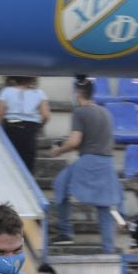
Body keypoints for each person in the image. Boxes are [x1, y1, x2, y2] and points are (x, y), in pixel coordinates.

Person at [50, 78, 124, 253]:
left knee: (61, 184)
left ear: (78, 93)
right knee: (104, 205)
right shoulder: (106, 112)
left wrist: (59, 151)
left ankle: (65, 232)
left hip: (89, 161)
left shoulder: (80, 112)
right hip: (107, 162)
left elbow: (75, 141)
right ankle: (108, 249)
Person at [0, 76, 51, 174]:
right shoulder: (39, 93)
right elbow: (46, 115)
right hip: (30, 126)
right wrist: (38, 126)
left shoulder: (6, 91)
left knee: (10, 156)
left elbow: (0, 113)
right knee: (27, 158)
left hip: (12, 123)